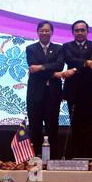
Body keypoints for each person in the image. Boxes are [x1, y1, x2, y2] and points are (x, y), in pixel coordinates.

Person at [62, 20, 92, 158]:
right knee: (76, 125)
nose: (80, 32)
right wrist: (85, 62)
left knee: (91, 124)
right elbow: (69, 60)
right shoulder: (66, 46)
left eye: (82, 30)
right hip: (73, 91)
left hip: (91, 90)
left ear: (87, 32)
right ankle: (76, 155)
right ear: (72, 32)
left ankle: (91, 155)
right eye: (77, 30)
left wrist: (80, 64)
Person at [26, 21, 64, 158]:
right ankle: (35, 156)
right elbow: (32, 68)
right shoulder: (31, 48)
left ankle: (53, 157)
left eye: (47, 30)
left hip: (53, 93)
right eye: (41, 30)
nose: (44, 33)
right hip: (35, 94)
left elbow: (59, 65)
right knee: (35, 126)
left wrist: (41, 67)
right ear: (37, 32)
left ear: (52, 32)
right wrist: (53, 73)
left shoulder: (59, 49)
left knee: (52, 126)